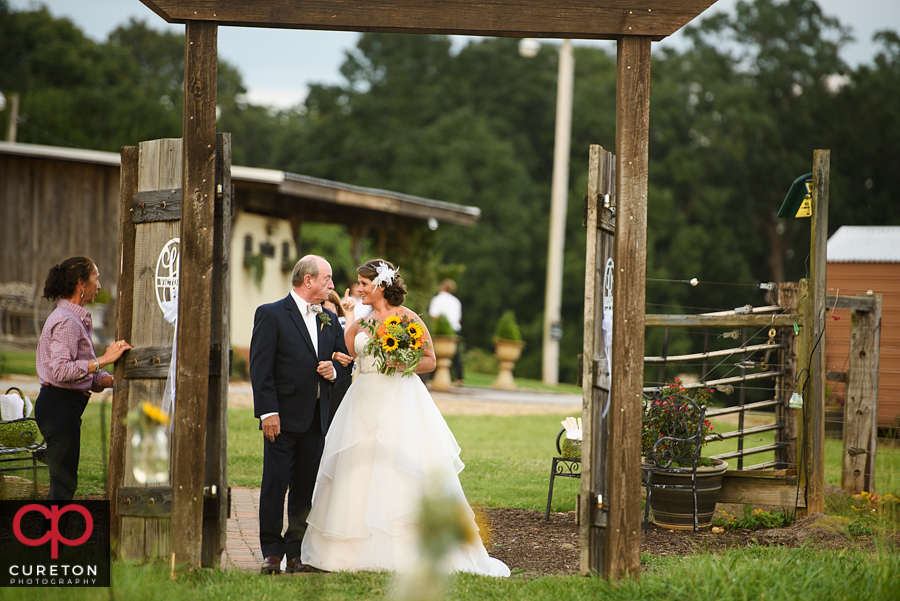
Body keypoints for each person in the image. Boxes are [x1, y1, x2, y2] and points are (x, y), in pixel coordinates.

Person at [300, 259, 509, 577]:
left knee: (398, 467)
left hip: (398, 399)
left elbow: (429, 360)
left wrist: (400, 361)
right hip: (362, 400)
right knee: (358, 469)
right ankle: (347, 552)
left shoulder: (407, 318)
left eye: (364, 284)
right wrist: (349, 316)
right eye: (359, 283)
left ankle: (406, 550)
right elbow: (349, 349)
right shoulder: (364, 319)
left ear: (381, 286)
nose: (359, 288)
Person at [249, 255, 353, 575]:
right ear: (308, 280)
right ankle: (271, 552)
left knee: (304, 488)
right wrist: (268, 413)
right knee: (275, 484)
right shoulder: (271, 314)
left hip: (315, 420)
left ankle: (295, 553)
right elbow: (260, 369)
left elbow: (344, 365)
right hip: (281, 418)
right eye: (327, 279)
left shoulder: (330, 320)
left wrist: (333, 370)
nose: (332, 286)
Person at [35, 256, 132, 504]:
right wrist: (105, 358)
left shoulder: (75, 318)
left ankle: (51, 541)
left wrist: (112, 380)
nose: (98, 285)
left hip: (64, 407)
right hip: (59, 407)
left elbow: (85, 373)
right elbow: (61, 371)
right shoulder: (67, 320)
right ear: (81, 283)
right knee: (63, 485)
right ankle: (50, 542)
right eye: (95, 278)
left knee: (64, 483)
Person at [428, 278, 464, 385]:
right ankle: (459, 378)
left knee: (435, 352)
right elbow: (459, 318)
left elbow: (434, 315)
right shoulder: (456, 301)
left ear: (443, 287)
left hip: (441, 329)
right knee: (456, 354)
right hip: (454, 329)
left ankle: (431, 377)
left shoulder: (437, 299)